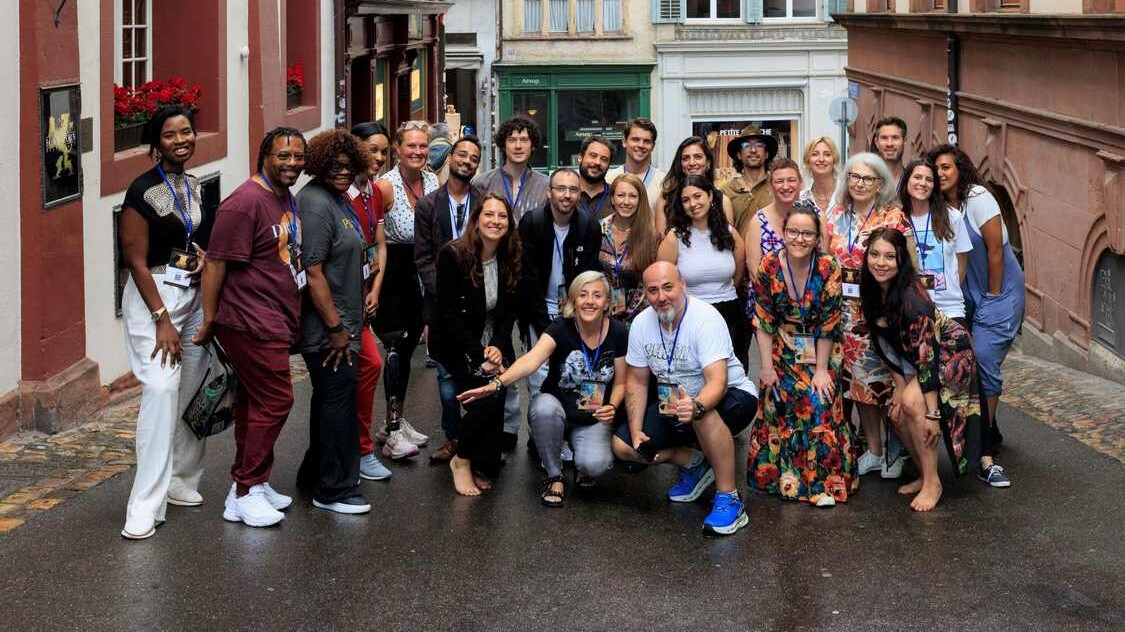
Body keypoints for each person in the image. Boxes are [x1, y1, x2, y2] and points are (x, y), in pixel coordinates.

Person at [195, 126, 307, 528]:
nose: (292, 163)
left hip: (275, 316)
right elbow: (215, 263)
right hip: (250, 320)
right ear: (265, 157)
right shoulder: (244, 203)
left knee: (255, 403)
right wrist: (209, 320)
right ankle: (245, 490)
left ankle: (250, 485)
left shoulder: (282, 194)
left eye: (298, 156)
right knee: (277, 400)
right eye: (283, 155)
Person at [117, 106, 211, 539]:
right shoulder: (141, 190)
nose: (181, 140)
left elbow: (194, 239)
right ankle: (144, 505)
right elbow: (135, 260)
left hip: (191, 296)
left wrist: (203, 258)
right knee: (160, 389)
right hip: (153, 300)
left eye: (186, 132)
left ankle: (180, 478)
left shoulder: (195, 185)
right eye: (170, 135)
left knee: (192, 388)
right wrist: (161, 320)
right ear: (157, 143)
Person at [612, 262, 759, 535]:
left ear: (683, 286)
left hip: (731, 397)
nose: (661, 296)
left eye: (668, 287)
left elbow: (717, 381)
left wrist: (697, 405)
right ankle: (695, 462)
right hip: (674, 405)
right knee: (622, 446)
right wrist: (635, 429)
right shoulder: (642, 324)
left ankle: (730, 498)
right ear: (645, 294)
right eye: (653, 290)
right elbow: (637, 381)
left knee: (703, 415)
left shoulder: (705, 318)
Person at [459, 272, 628, 506]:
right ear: (573, 300)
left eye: (597, 295)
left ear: (607, 302)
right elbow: (532, 359)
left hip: (593, 415)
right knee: (543, 409)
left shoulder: (619, 332)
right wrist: (495, 384)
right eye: (583, 295)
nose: (589, 301)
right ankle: (554, 475)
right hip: (557, 407)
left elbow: (621, 381)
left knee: (595, 464)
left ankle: (582, 464)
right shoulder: (561, 327)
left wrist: (612, 406)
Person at [861, 227, 982, 511]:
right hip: (917, 357)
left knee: (913, 403)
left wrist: (932, 414)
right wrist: (899, 385)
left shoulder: (913, 300)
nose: (880, 262)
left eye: (889, 257)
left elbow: (927, 357)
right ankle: (924, 474)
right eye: (875, 254)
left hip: (950, 353)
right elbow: (884, 344)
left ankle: (933, 483)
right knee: (897, 409)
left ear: (901, 260)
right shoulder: (872, 289)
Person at [748, 204, 857, 507]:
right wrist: (766, 367)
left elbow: (829, 323)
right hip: (782, 345)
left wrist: (821, 370)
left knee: (818, 399)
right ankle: (783, 479)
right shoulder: (769, 265)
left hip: (822, 347)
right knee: (778, 396)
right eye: (793, 232)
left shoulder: (828, 267)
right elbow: (763, 319)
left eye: (807, 233)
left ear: (817, 237)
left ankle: (823, 484)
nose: (799, 238)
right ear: (783, 233)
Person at [931, 144, 1023, 489]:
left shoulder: (978, 197)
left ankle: (983, 442)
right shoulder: (940, 206)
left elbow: (996, 248)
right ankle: (990, 429)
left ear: (960, 169)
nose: (940, 173)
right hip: (967, 295)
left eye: (946, 167)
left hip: (999, 291)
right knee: (968, 363)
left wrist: (993, 296)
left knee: (983, 359)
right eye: (935, 168)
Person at [291, 129, 374, 514]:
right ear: (319, 165)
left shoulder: (338, 198)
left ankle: (313, 476)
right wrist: (336, 329)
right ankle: (335, 490)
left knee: (330, 401)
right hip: (329, 332)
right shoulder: (314, 203)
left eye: (348, 165)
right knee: (338, 405)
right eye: (334, 165)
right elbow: (313, 271)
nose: (342, 171)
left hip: (346, 324)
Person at [823, 152, 917, 480]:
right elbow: (825, 260)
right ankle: (874, 450)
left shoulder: (893, 216)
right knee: (859, 384)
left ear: (880, 184)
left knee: (891, 382)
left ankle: (897, 449)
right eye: (854, 177)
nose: (859, 183)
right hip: (845, 313)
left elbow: (908, 265)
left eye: (867, 178)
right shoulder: (835, 213)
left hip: (881, 310)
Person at [429, 194, 521, 496]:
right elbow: (448, 314)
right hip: (455, 342)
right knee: (488, 394)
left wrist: (496, 346)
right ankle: (462, 459)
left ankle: (483, 462)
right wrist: (480, 354)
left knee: (498, 387)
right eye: (489, 215)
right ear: (476, 220)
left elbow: (508, 312)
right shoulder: (453, 255)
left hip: (490, 338)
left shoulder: (510, 255)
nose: (496, 221)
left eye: (502, 216)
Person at [415, 135, 485, 462]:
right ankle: (453, 437)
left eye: (474, 158)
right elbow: (423, 258)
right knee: (446, 378)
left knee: (479, 372)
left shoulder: (485, 202)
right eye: (462, 154)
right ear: (450, 158)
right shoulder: (428, 205)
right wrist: (445, 293)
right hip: (442, 305)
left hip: (479, 302)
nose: (467, 161)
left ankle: (478, 438)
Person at [372, 120, 439, 459]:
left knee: (409, 348)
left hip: (421, 275)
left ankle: (392, 420)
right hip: (393, 277)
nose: (418, 151)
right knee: (395, 351)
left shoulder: (432, 180)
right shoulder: (384, 186)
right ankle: (393, 433)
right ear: (397, 149)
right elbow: (373, 239)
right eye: (411, 145)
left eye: (423, 145)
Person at [658, 174, 748, 369]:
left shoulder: (729, 232)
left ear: (710, 196)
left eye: (697, 196)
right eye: (686, 200)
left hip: (729, 315)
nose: (693, 204)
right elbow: (663, 281)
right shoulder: (674, 238)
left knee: (731, 372)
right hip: (689, 315)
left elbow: (739, 271)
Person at [347, 122, 391, 482]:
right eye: (372, 149)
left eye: (383, 152)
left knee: (367, 367)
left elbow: (379, 244)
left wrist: (375, 290)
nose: (378, 158)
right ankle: (355, 449)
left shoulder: (374, 192)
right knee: (367, 365)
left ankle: (358, 449)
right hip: (340, 300)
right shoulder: (338, 192)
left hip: (363, 296)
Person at [898, 159, 972, 322]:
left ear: (934, 186)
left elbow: (962, 262)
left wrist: (950, 291)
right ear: (906, 181)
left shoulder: (952, 217)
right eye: (917, 177)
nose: (923, 183)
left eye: (929, 179)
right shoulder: (896, 219)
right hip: (909, 309)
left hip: (950, 310)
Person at [743, 158, 802, 334]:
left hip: (807, 306)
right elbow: (755, 272)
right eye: (779, 181)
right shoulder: (758, 221)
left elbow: (823, 265)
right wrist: (783, 305)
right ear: (770, 186)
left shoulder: (815, 216)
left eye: (791, 180)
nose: (786, 186)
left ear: (800, 183)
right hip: (769, 309)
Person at [598, 173, 660, 323]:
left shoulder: (651, 236)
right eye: (621, 195)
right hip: (602, 316)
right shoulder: (598, 229)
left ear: (640, 200)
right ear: (612, 199)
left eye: (632, 196)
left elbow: (649, 282)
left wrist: (630, 317)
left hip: (639, 317)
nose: (626, 202)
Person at [472, 114, 550, 221]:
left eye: (524, 140)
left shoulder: (545, 185)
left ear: (532, 146)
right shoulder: (482, 183)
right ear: (503, 145)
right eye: (512, 140)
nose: (518, 146)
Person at [655, 136, 734, 234]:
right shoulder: (666, 199)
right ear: (680, 164)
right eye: (686, 158)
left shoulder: (723, 201)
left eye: (698, 157)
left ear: (708, 162)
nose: (692, 163)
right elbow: (661, 239)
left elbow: (729, 239)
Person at [719, 125, 779, 239]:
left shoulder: (777, 187)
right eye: (746, 145)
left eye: (759, 145)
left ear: (766, 154)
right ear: (738, 155)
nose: (753, 150)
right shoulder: (726, 191)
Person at [605, 117, 665, 206]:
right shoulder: (608, 180)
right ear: (624, 142)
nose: (641, 145)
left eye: (647, 141)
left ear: (653, 146)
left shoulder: (664, 183)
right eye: (636, 139)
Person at [575, 135, 614, 219]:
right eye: (593, 155)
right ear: (580, 158)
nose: (597, 162)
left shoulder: (616, 195)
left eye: (604, 159)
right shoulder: (566, 194)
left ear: (608, 165)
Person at [799, 136, 839, 215]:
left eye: (827, 154)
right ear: (808, 161)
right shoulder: (801, 200)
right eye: (815, 154)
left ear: (834, 160)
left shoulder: (847, 194)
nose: (821, 159)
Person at [872, 116, 907, 185]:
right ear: (876, 142)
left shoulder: (913, 183)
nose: (889, 144)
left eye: (895, 138)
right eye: (884, 138)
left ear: (904, 142)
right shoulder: (865, 181)